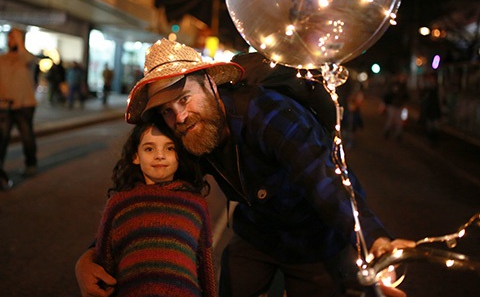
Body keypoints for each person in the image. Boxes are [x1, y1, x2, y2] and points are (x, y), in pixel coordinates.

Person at [76, 39, 415, 297]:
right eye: (166, 111)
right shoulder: (187, 133)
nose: (178, 117)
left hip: (313, 240)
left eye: (184, 99)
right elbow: (154, 192)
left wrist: (374, 238)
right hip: (256, 235)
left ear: (210, 84)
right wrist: (93, 253)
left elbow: (324, 179)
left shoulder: (267, 113)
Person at [91, 120, 216, 297]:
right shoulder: (120, 204)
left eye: (169, 148)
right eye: (149, 149)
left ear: (180, 154)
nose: (160, 155)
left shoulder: (195, 205)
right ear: (136, 155)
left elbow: (205, 266)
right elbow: (105, 260)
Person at [0, 28, 38, 180]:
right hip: (5, 105)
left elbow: (27, 58)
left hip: (25, 105)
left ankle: (31, 164)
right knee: (2, 138)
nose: (12, 40)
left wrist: (20, 41)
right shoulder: (2, 59)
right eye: (10, 37)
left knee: (26, 136)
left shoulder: (27, 58)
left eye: (15, 37)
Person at [382, 74, 409, 141]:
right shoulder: (394, 85)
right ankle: (387, 131)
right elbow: (389, 94)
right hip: (393, 105)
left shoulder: (404, 86)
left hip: (400, 105)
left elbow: (406, 96)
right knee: (391, 119)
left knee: (399, 121)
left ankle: (398, 134)